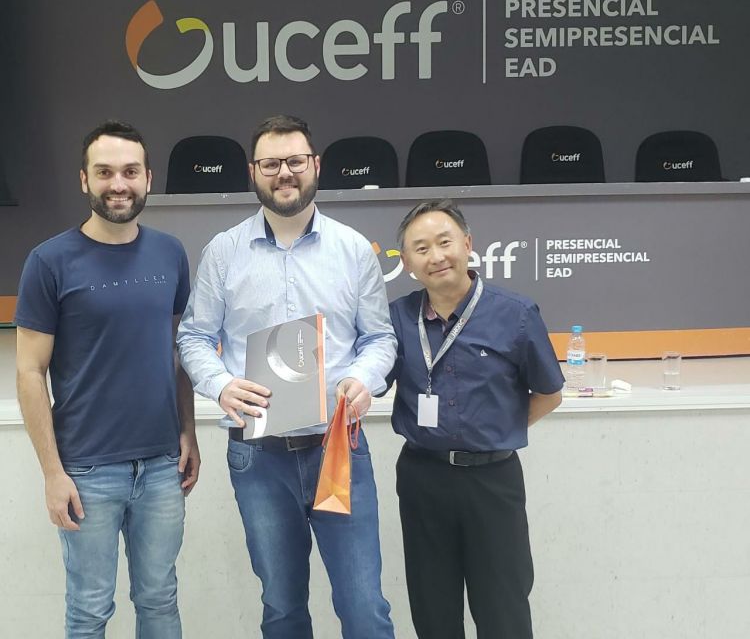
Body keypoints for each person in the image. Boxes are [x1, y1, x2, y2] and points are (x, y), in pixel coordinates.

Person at [177, 114, 396, 638]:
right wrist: (221, 385)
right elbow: (193, 337)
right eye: (271, 163)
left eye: (295, 161)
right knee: (281, 608)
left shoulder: (353, 249)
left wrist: (363, 378)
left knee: (364, 607)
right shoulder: (223, 252)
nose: (285, 173)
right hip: (259, 457)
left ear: (315, 165)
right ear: (253, 172)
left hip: (337, 448)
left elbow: (380, 338)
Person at [14, 120, 200, 639]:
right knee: (90, 609)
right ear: (84, 180)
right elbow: (29, 371)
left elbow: (177, 352)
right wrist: (53, 473)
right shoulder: (49, 261)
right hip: (86, 470)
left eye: (130, 172)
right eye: (105, 172)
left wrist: (188, 431)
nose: (118, 184)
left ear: (148, 179)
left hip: (162, 466)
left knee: (159, 600)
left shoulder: (170, 253)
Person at [386, 199, 564, 639]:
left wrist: (497, 430)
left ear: (467, 244)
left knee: (503, 609)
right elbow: (370, 379)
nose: (436, 256)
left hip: (492, 481)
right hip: (423, 478)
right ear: (407, 263)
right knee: (432, 610)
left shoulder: (515, 313)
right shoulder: (397, 318)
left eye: (444, 242)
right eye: (421, 248)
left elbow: (549, 393)